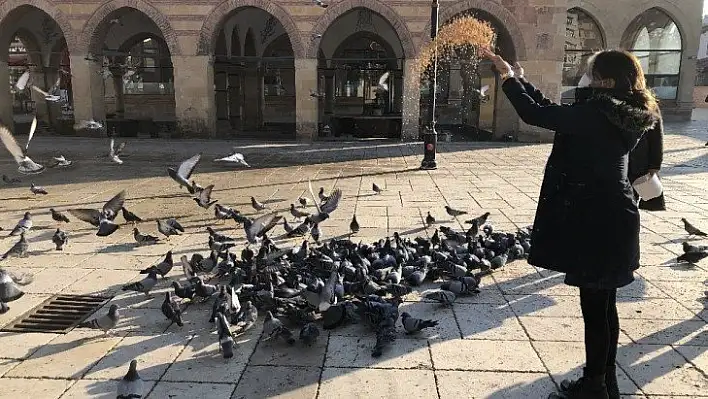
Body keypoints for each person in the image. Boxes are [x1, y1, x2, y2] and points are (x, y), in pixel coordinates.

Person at [483, 48, 660, 399]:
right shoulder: (619, 112)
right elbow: (555, 113)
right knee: (604, 307)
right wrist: (520, 80)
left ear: (607, 82)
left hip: (597, 222)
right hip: (615, 216)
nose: (587, 79)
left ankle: (593, 386)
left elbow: (535, 115)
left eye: (592, 74)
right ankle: (606, 381)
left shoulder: (597, 114)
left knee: (595, 310)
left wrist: (507, 77)